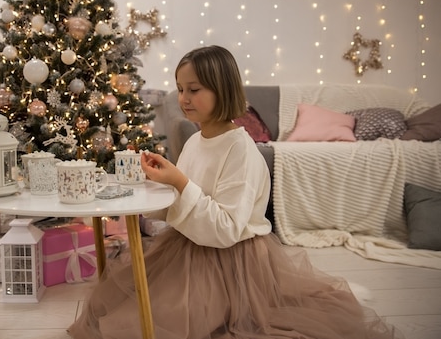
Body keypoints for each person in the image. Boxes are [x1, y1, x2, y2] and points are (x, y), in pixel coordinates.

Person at [68, 45, 402, 339]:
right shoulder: (197, 139)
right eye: (180, 88)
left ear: (222, 90)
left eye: (194, 89)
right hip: (188, 247)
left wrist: (180, 182)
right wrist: (161, 182)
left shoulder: (240, 149)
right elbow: (186, 197)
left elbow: (226, 227)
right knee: (120, 309)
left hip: (228, 260)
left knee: (157, 324)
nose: (183, 99)